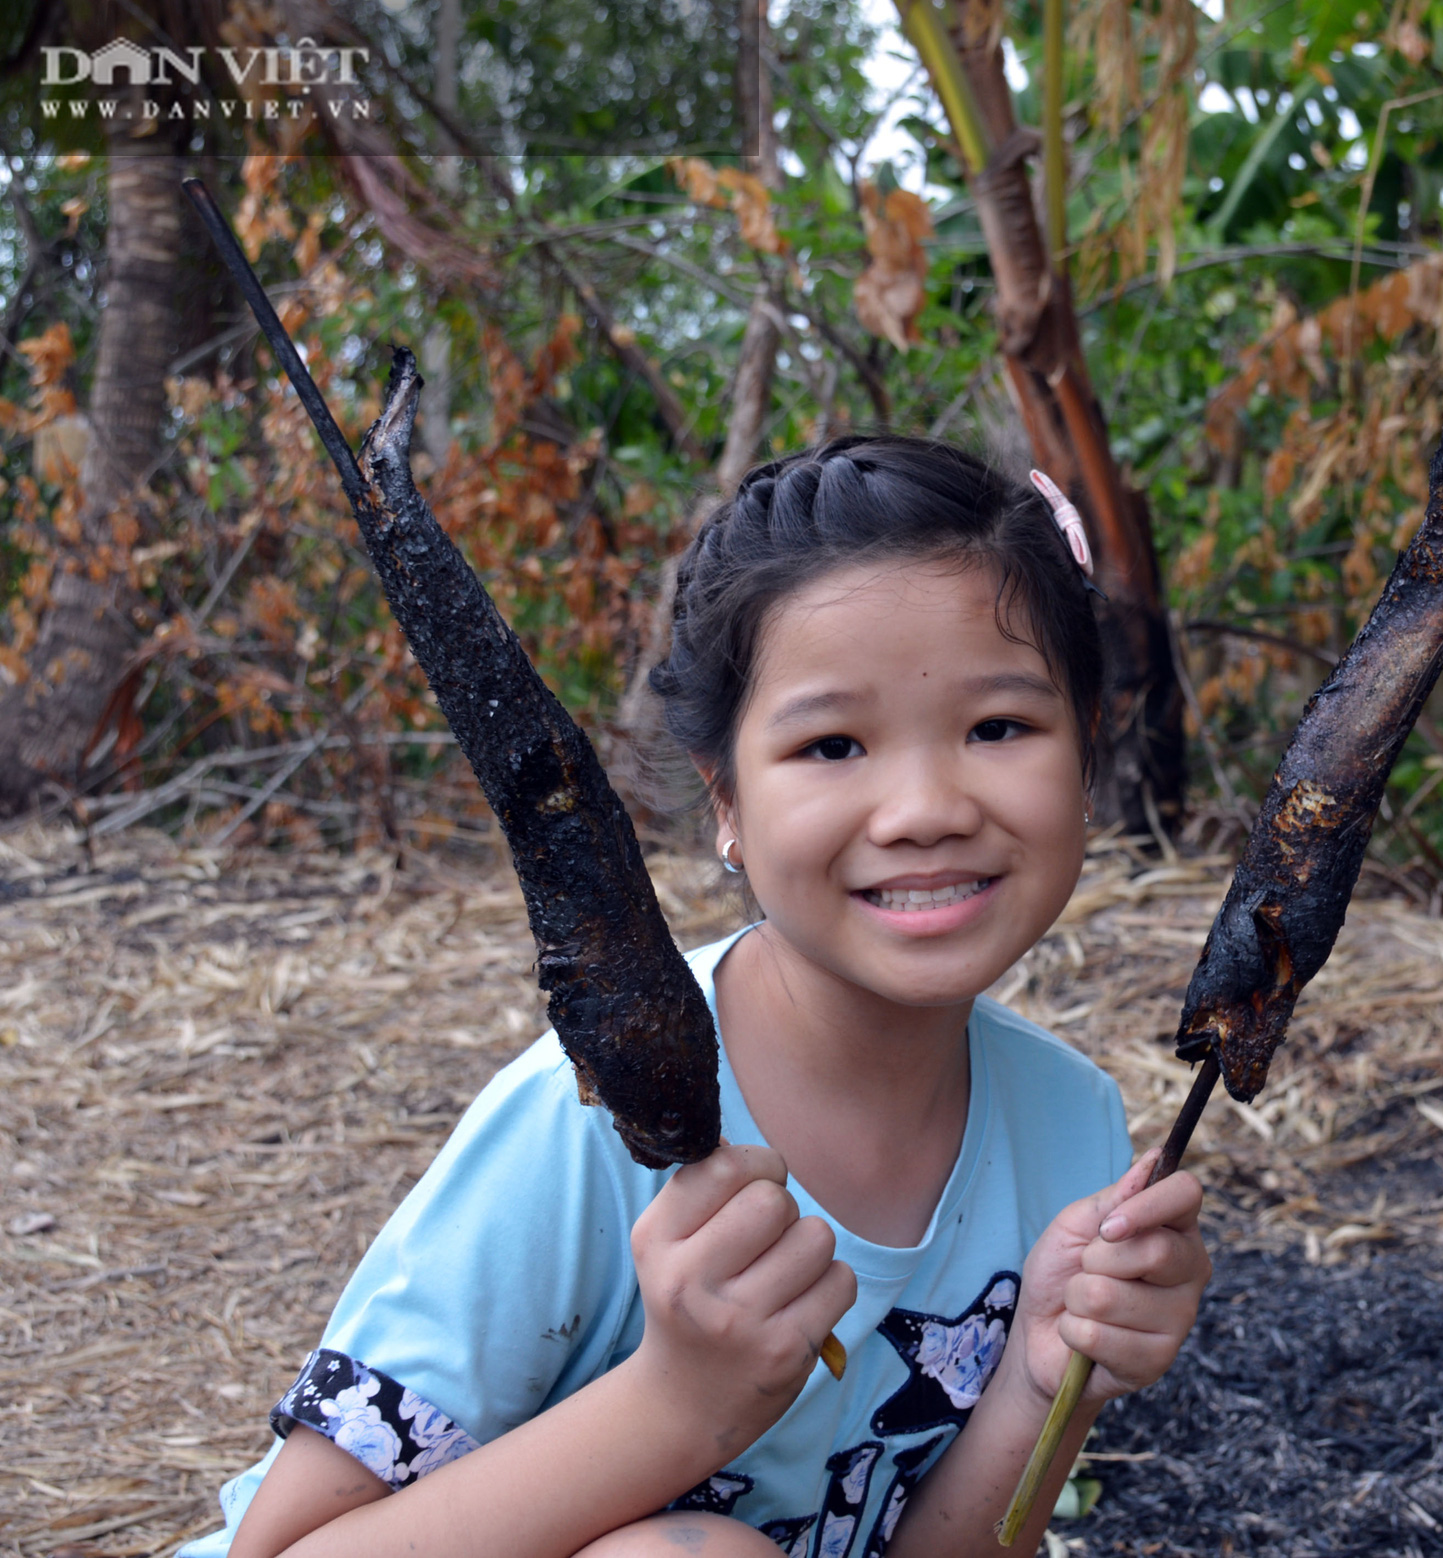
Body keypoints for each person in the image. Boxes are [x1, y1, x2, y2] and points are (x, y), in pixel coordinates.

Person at [184, 437, 1211, 1558]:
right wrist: (677, 1402)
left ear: (1086, 753)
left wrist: (1039, 1378)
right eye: (832, 744)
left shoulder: (1072, 1128)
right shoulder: (588, 1125)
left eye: (997, 727)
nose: (923, 807)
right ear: (726, 800)